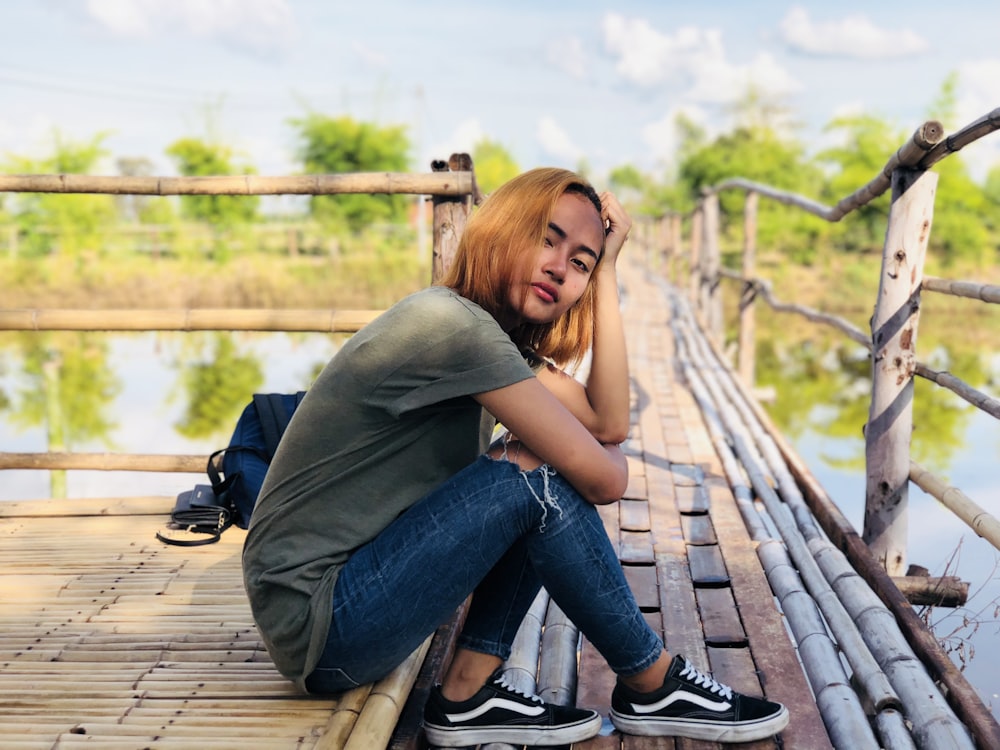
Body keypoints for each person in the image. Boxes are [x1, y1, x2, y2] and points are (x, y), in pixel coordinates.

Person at [242, 167, 789, 746]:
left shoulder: (487, 339)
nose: (559, 267)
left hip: (336, 615)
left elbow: (609, 420)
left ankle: (467, 697)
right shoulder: (453, 330)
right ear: (503, 229)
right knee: (538, 470)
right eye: (547, 239)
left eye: (580, 261)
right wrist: (591, 461)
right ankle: (653, 684)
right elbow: (604, 476)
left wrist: (609, 273)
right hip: (327, 625)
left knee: (538, 464)